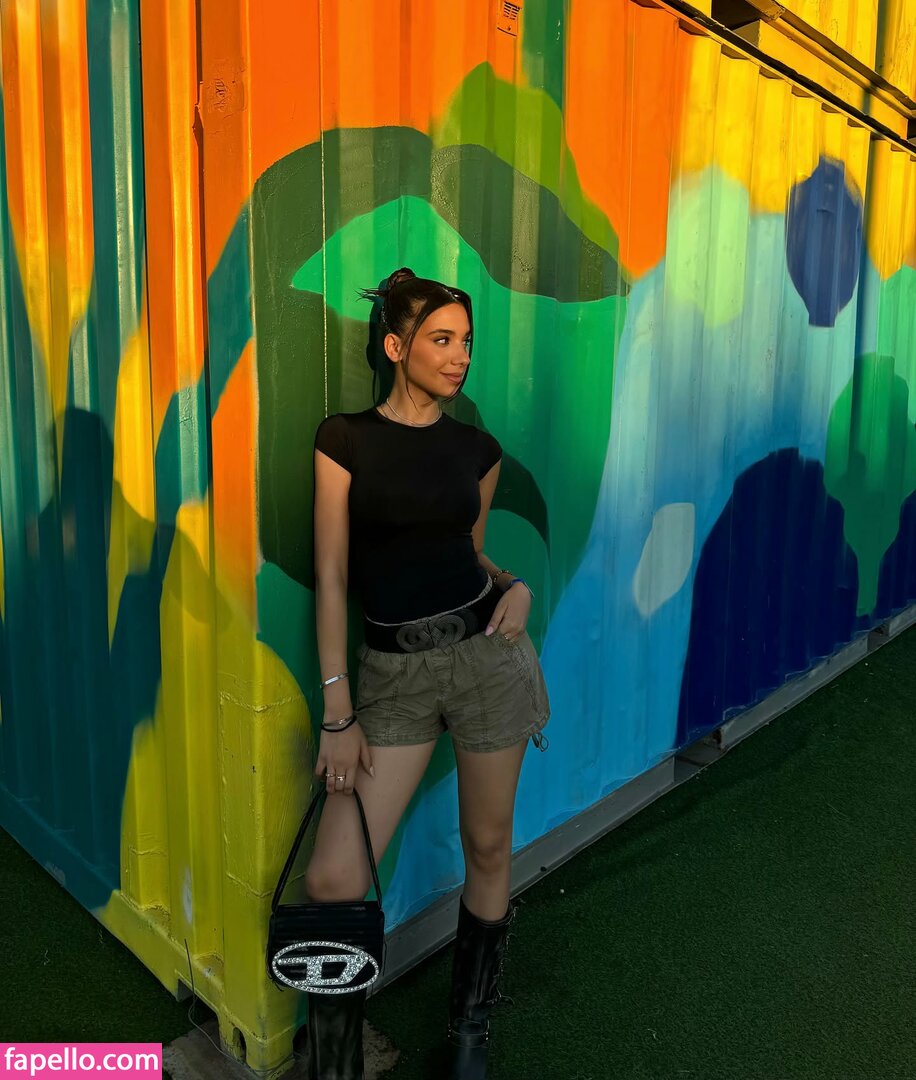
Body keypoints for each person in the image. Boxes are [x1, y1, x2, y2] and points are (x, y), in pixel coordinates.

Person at [305, 267, 551, 1080]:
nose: (460, 356)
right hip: (392, 680)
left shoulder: (477, 450)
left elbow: (468, 554)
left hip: (485, 664)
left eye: (467, 342)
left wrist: (514, 587)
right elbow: (333, 576)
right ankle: (336, 1064)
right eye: (442, 340)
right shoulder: (343, 440)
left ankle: (470, 1035)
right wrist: (338, 712)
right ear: (394, 346)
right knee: (334, 876)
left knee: (488, 844)